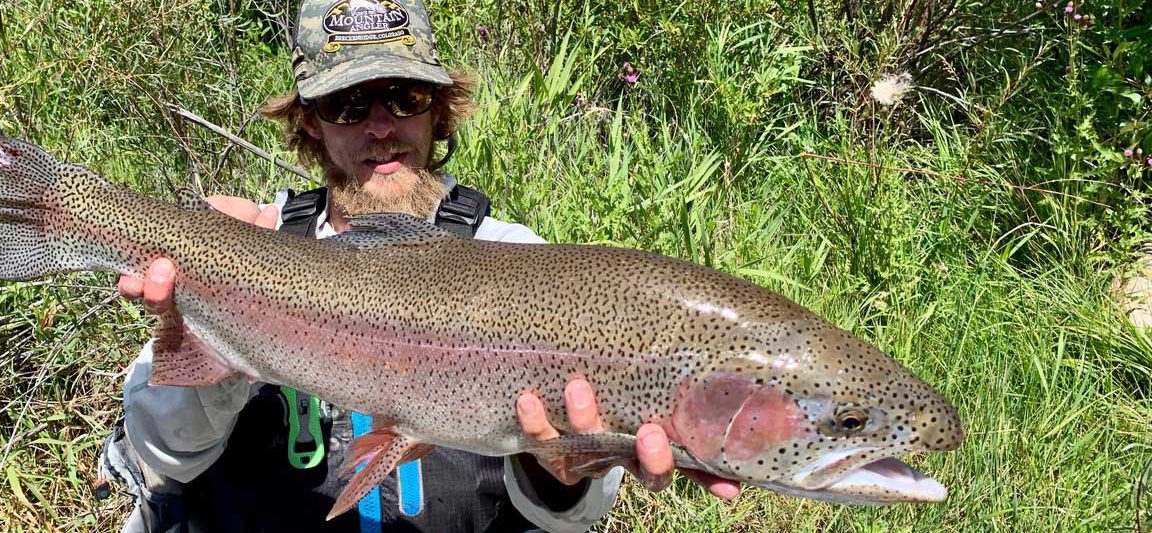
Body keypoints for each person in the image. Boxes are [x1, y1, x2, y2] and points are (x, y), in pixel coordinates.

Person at [96, 0, 739, 531]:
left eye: (403, 97)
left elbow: (571, 518)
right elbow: (167, 460)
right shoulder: (248, 248)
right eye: (347, 104)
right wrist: (214, 326)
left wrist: (561, 469)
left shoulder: (525, 265)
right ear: (310, 123)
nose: (380, 126)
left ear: (438, 108)